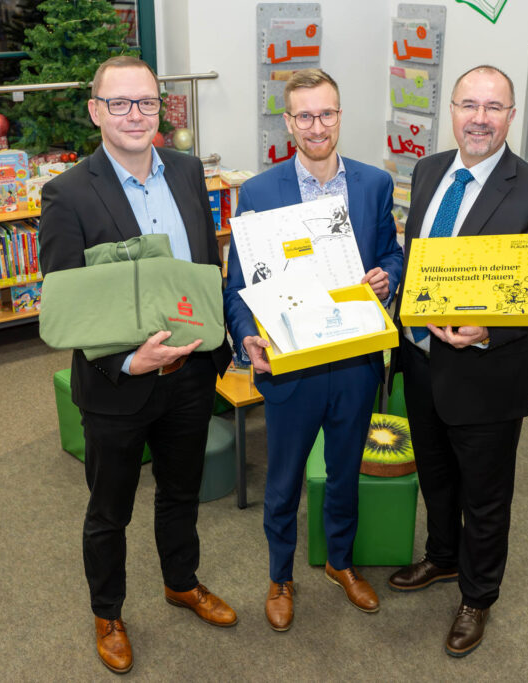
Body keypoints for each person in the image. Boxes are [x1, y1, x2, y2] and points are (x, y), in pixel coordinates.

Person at [38, 56, 235, 675]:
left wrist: (220, 342)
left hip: (191, 372)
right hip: (116, 384)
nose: (134, 115)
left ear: (161, 110)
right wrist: (129, 359)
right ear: (96, 111)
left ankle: (181, 581)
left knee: (180, 492)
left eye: (146, 103)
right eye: (119, 103)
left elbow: (206, 264)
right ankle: (109, 612)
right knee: (110, 508)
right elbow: (66, 301)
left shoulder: (186, 171)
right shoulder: (67, 193)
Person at [387, 65, 528, 657]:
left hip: (487, 372)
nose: (480, 119)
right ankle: (442, 558)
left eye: (494, 108)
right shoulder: (429, 168)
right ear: (453, 111)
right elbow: (417, 254)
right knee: (436, 476)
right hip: (419, 359)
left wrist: (487, 327)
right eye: (469, 105)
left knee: (485, 497)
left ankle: (477, 596)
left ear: (512, 116)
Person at [224, 68, 404, 632]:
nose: (317, 126)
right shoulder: (258, 192)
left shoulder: (374, 184)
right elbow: (237, 285)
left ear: (340, 115)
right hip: (292, 365)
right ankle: (280, 575)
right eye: (304, 115)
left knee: (345, 474)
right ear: (288, 122)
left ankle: (340, 563)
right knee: (283, 482)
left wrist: (388, 279)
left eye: (326, 113)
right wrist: (244, 336)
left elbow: (394, 254)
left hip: (354, 362)